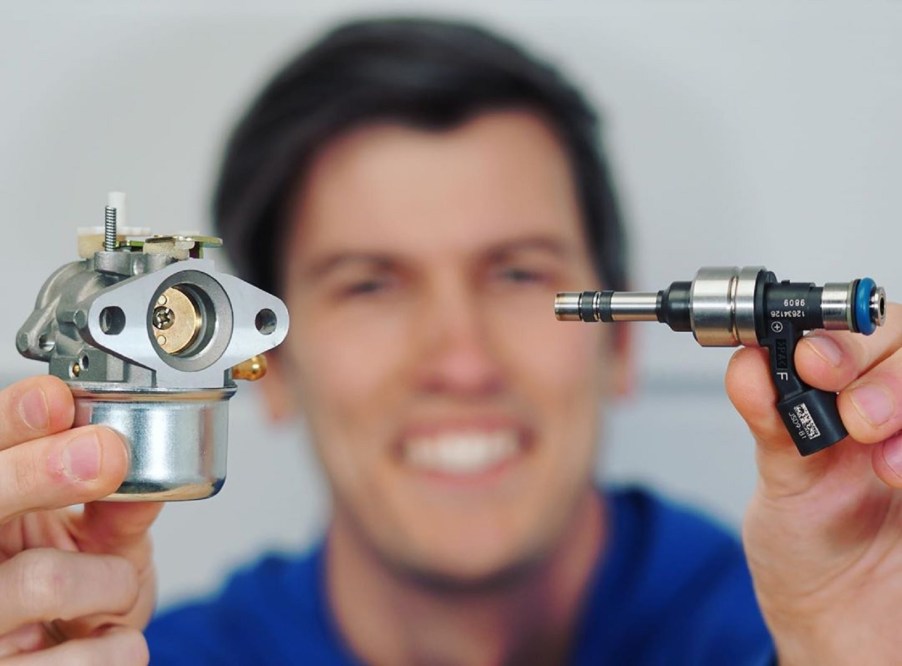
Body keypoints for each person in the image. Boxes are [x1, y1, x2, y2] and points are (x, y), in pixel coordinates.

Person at [1, 16, 900, 666]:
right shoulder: (121, 653)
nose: (461, 361)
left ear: (620, 347)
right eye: (371, 284)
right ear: (264, 364)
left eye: (515, 274)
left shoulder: (820, 614)